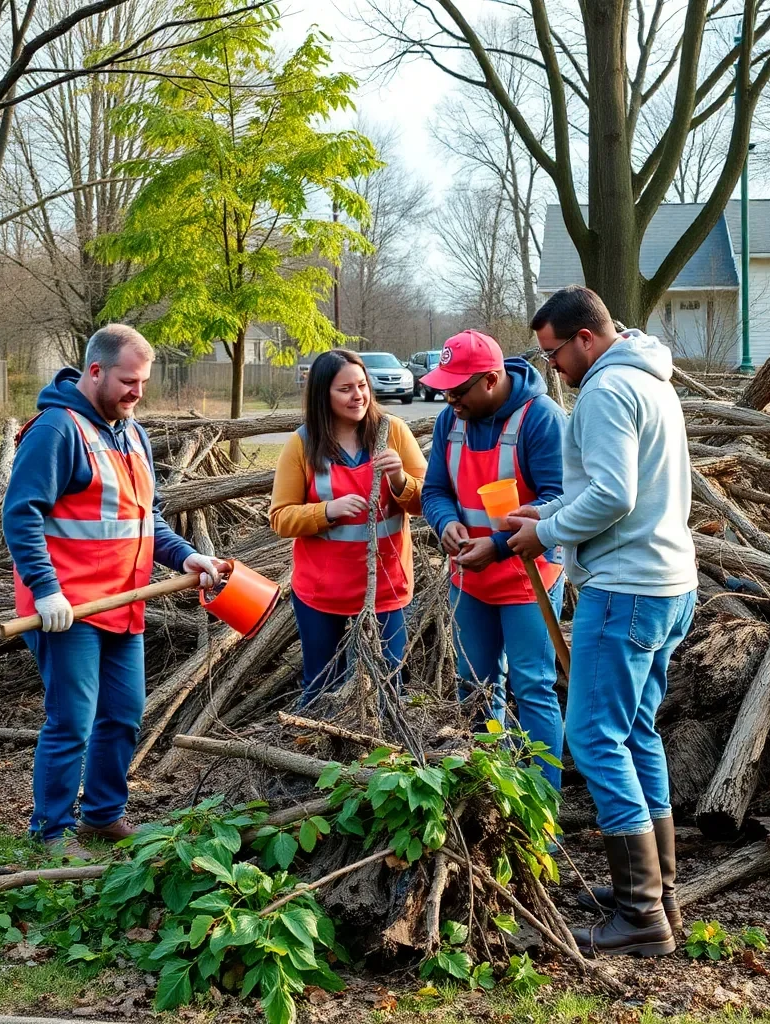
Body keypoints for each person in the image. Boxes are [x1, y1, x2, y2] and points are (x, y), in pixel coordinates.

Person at [507, 287, 697, 958]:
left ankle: (642, 916)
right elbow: (625, 485)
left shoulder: (608, 392)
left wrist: (549, 531)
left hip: (626, 590)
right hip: (667, 582)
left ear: (585, 338)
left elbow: (615, 495)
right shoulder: (651, 381)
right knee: (635, 731)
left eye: (554, 352)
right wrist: (547, 518)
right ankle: (656, 892)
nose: (552, 367)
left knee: (592, 739)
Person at [3, 325, 226, 858]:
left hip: (123, 605)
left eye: (144, 382)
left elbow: (144, 520)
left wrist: (184, 555)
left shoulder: (131, 433)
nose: (137, 393)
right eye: (129, 381)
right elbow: (20, 516)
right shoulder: (56, 431)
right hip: (68, 609)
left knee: (124, 714)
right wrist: (46, 590)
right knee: (72, 723)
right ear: (95, 372)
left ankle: (102, 816)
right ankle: (50, 832)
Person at [419, 330, 567, 789]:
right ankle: (492, 789)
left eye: (458, 389)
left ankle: (545, 805)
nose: (449, 398)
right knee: (476, 686)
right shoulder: (451, 420)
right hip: (470, 579)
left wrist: (499, 547)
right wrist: (445, 524)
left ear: (491, 380)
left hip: (530, 577)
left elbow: (561, 500)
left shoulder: (540, 419)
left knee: (533, 688)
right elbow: (435, 491)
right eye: (444, 388)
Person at [269, 349, 426, 703]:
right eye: (345, 389)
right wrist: (327, 511)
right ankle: (313, 753)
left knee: (386, 687)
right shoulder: (303, 444)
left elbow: (426, 502)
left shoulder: (394, 432)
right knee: (321, 687)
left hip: (386, 588)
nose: (358, 395)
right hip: (322, 593)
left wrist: (400, 480)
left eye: (361, 385)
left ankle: (384, 756)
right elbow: (280, 517)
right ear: (323, 394)